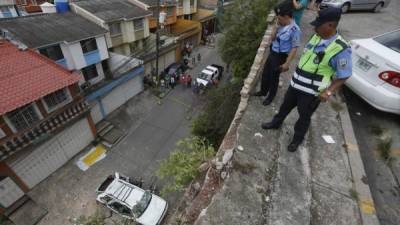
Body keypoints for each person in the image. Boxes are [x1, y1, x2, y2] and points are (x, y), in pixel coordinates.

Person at [262, 7, 352, 152]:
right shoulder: (316, 37)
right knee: (284, 107)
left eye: (319, 24)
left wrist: (328, 92)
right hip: (295, 85)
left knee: (304, 117)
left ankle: (297, 139)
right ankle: (276, 123)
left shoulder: (341, 48)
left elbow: (345, 74)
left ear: (330, 25)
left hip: (311, 93)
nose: (315, 27)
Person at [252, 2, 301, 106]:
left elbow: (294, 48)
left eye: (280, 18)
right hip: (272, 52)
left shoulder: (295, 29)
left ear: (287, 17)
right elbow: (273, 39)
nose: (278, 20)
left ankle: (270, 97)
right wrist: (276, 28)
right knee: (265, 74)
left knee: (274, 78)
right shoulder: (280, 25)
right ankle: (263, 91)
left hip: (280, 56)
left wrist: (287, 64)